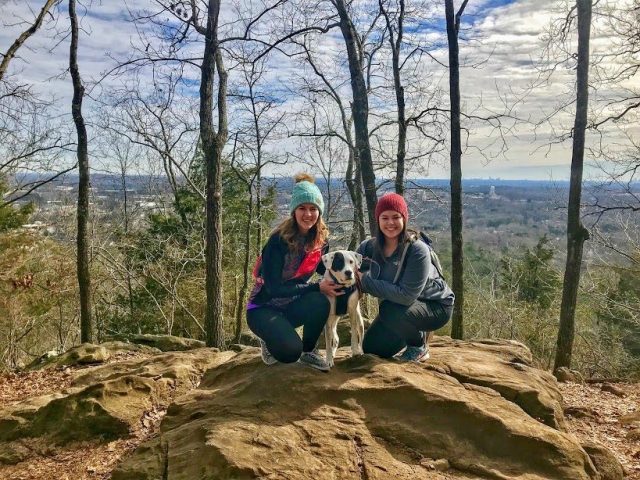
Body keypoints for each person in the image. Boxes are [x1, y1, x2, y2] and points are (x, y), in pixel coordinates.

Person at [246, 173, 344, 371]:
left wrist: (346, 272)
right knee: (290, 353)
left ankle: (309, 352)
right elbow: (273, 288)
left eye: (313, 209)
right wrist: (316, 286)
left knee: (320, 300)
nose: (308, 214)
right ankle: (269, 337)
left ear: (319, 212)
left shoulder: (321, 241)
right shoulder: (278, 241)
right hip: (263, 308)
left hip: (290, 307)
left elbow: (320, 268)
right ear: (294, 211)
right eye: (302, 208)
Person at [356, 193, 455, 362]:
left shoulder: (417, 250)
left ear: (404, 219)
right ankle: (411, 329)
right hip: (400, 308)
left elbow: (406, 296)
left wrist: (365, 282)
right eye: (384, 217)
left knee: (389, 309)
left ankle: (418, 346)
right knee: (372, 348)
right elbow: (349, 273)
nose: (390, 223)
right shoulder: (368, 248)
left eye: (396, 217)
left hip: (436, 306)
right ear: (377, 220)